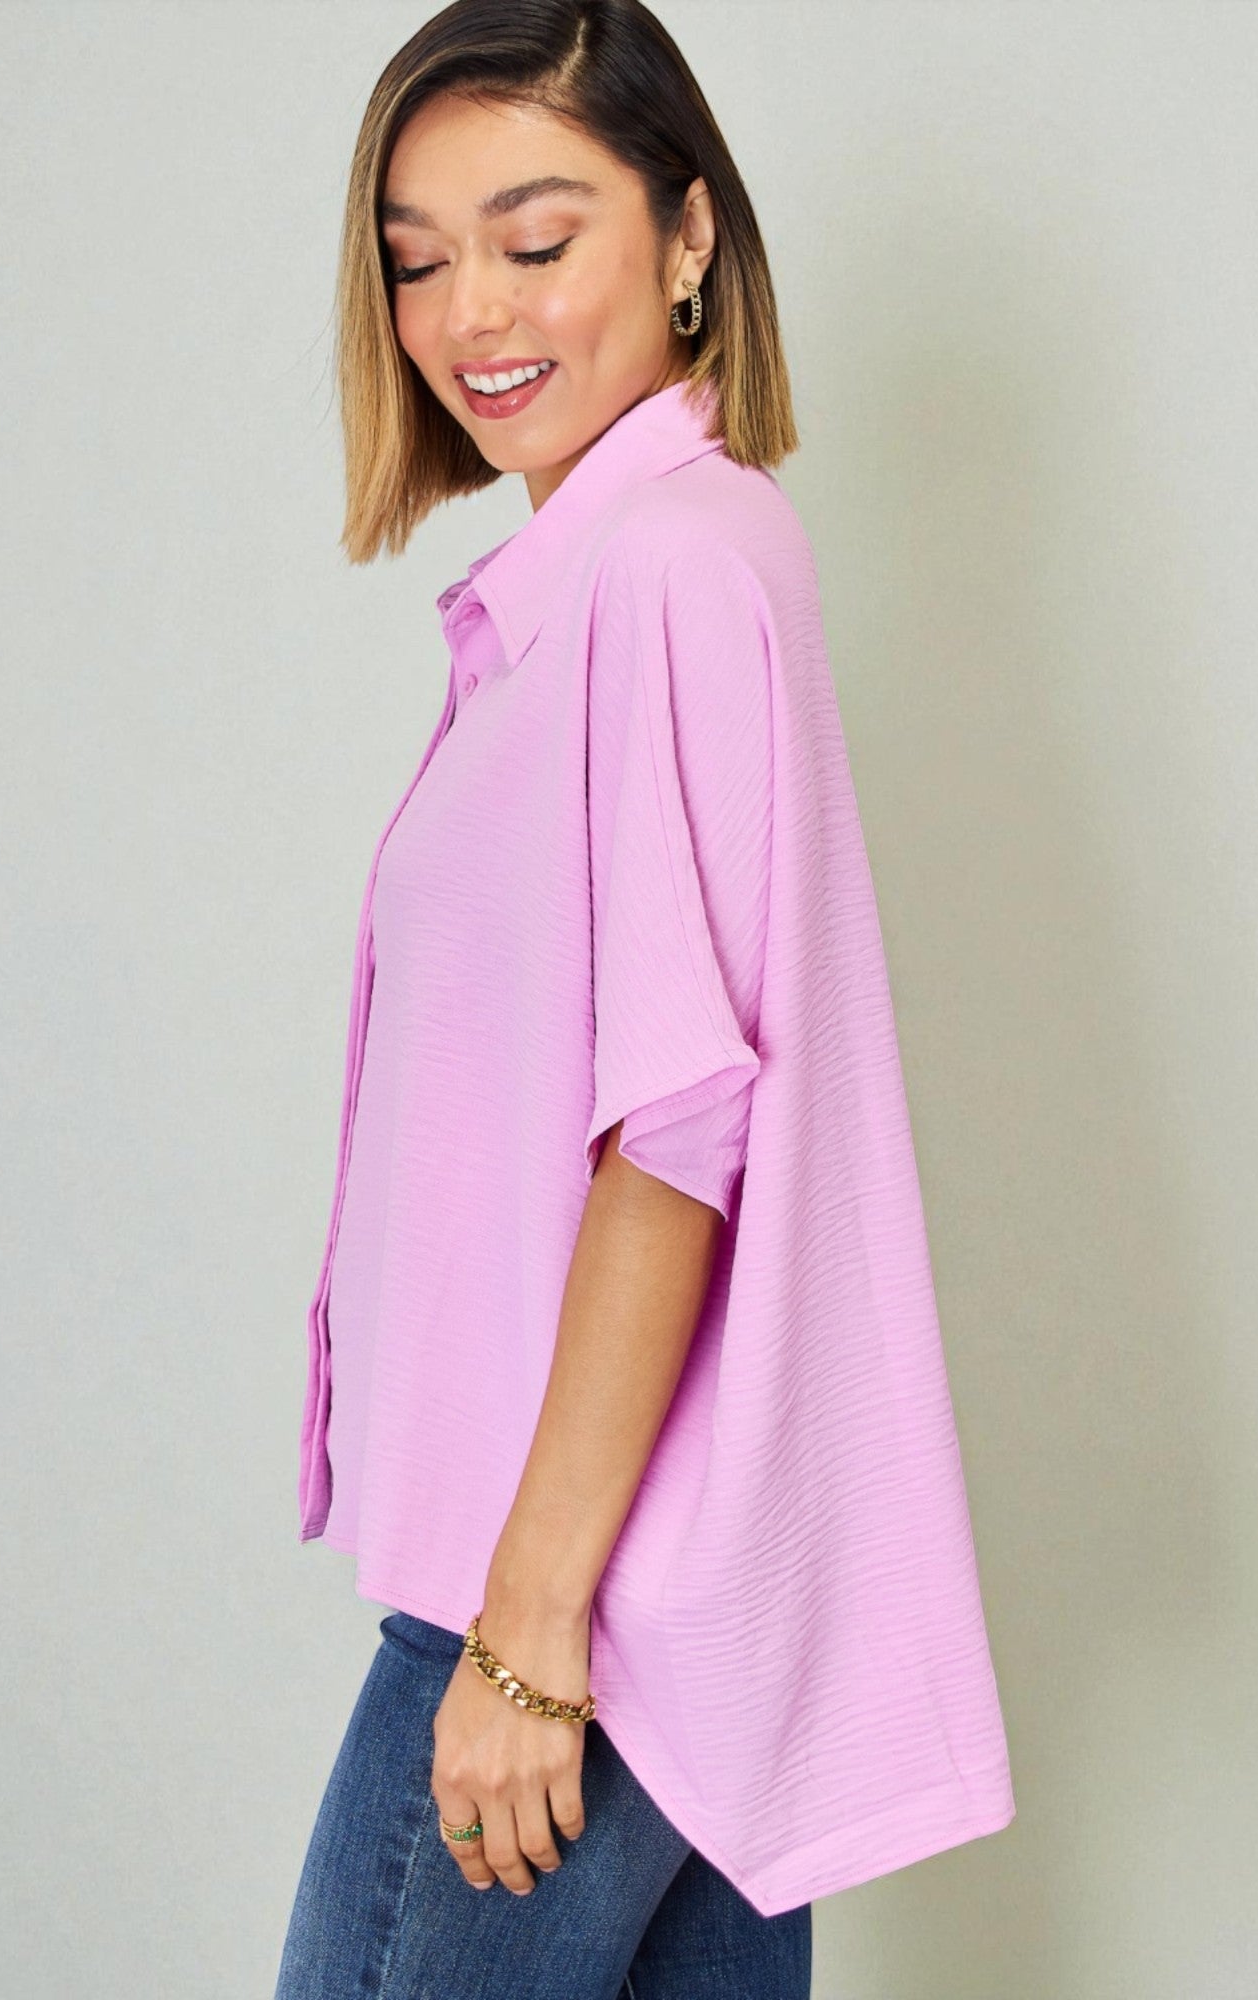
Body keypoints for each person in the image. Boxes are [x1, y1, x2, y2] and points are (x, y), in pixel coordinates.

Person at [273, 4, 1015, 1994]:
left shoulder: (670, 563)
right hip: (662, 1610)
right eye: (416, 255)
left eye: (535, 238)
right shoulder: (600, 584)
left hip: (561, 1601)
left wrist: (523, 1630)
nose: (466, 313)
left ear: (686, 234)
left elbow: (674, 1131)